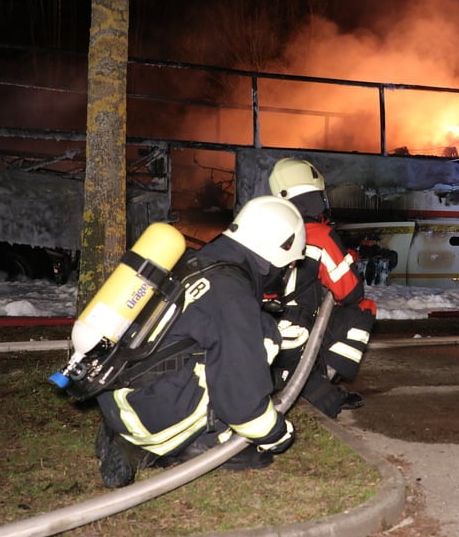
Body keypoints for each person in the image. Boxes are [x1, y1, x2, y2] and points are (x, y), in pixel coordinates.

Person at [96, 195, 306, 488]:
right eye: (287, 265)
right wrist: (275, 434)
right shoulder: (231, 294)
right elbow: (241, 394)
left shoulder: (199, 261)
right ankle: (203, 440)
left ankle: (129, 439)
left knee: (236, 338)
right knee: (264, 333)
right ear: (276, 253)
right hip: (153, 408)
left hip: (120, 395)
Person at [266, 157, 377, 418]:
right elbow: (350, 293)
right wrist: (345, 260)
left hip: (257, 331)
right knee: (362, 309)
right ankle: (316, 380)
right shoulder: (318, 235)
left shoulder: (263, 228)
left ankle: (288, 373)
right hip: (292, 337)